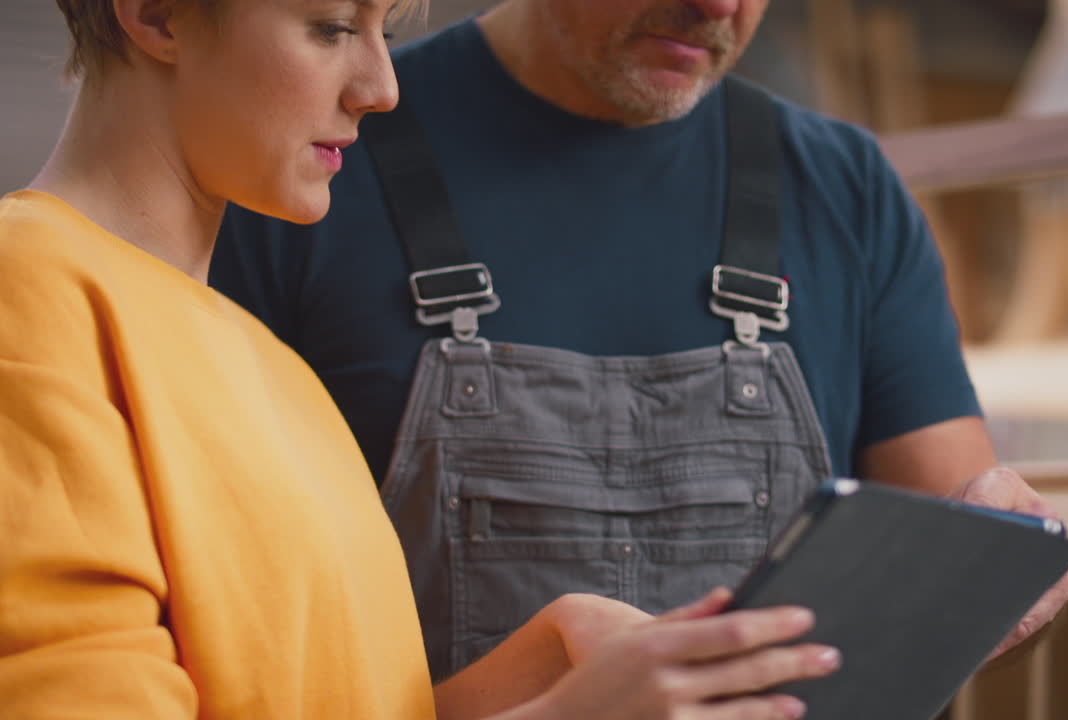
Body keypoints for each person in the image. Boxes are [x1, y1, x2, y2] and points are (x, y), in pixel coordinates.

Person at [0, 0, 841, 718]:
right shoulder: (28, 291)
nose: (381, 89)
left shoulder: (271, 367)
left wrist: (541, 665)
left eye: (386, 33)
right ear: (154, 13)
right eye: (331, 27)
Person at [211, 0, 1068, 680]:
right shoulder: (315, 163)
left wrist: (1003, 579)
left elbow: (961, 561)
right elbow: (235, 625)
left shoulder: (846, 192)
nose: (719, 2)